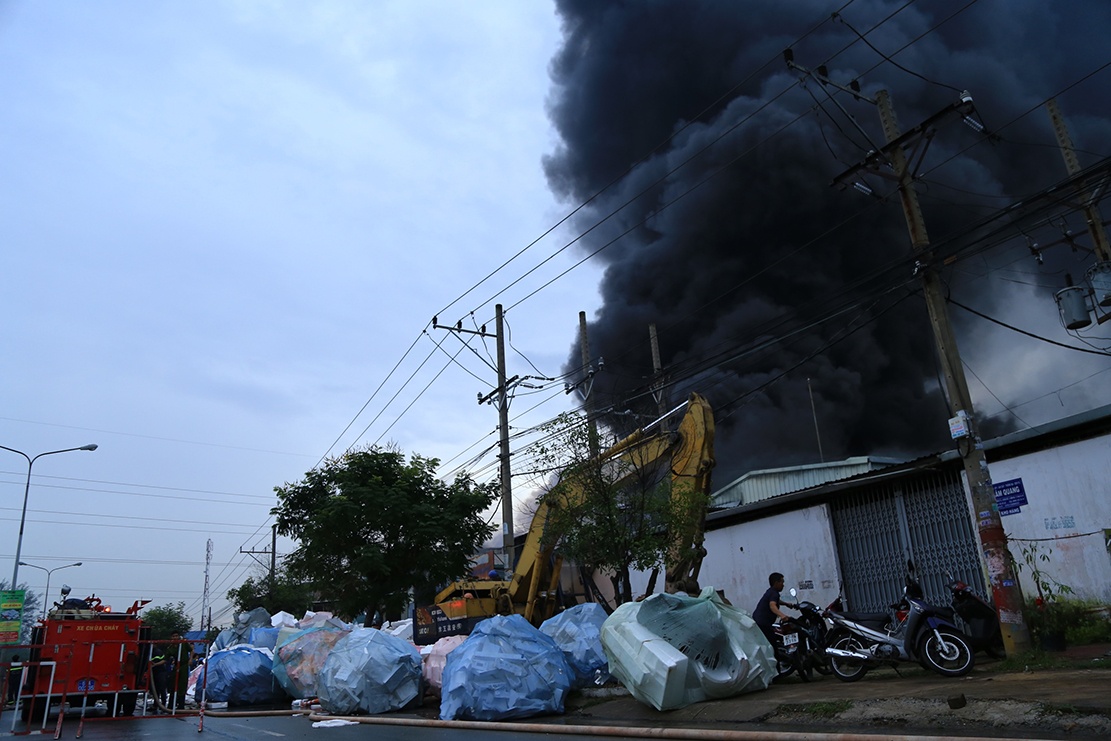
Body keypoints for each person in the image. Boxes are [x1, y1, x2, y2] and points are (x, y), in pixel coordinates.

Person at [752, 572, 790, 644]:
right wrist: (782, 616)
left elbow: (775, 601)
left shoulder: (771, 591)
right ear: (776, 583)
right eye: (782, 582)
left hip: (759, 621)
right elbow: (772, 605)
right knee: (772, 643)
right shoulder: (774, 593)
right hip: (763, 623)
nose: (783, 585)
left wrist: (786, 604)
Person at [169, 631, 191, 709]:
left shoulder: (183, 644)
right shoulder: (170, 647)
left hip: (184, 665)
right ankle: (171, 704)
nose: (175, 638)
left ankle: (181, 705)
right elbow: (166, 658)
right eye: (173, 636)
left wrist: (190, 660)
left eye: (176, 636)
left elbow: (191, 650)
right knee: (173, 685)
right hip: (176, 666)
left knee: (182, 684)